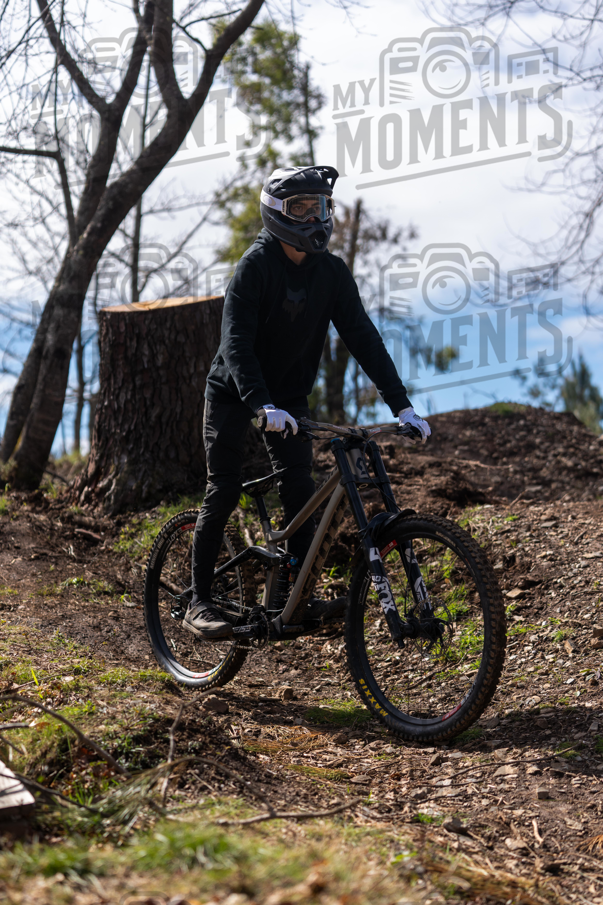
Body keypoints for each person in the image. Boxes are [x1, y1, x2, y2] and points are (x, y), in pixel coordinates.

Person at [186, 164, 430, 639]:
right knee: (225, 488)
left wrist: (402, 406)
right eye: (302, 208)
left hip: (290, 396)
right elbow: (235, 343)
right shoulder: (254, 268)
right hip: (236, 393)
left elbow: (363, 337)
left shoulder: (332, 272)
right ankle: (198, 599)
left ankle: (290, 595)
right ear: (277, 212)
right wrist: (260, 403)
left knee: (300, 485)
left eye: (322, 207)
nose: (315, 218)